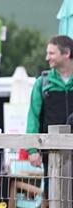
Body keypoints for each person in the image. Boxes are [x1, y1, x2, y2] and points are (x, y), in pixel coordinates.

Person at [27, 35, 73, 167]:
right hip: (52, 153)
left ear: (67, 53)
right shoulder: (42, 83)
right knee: (52, 188)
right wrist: (32, 148)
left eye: (51, 53)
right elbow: (33, 117)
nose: (47, 58)